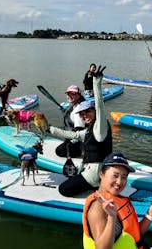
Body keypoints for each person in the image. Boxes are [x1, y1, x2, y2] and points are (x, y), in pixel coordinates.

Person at [47, 65, 112, 197]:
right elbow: (73, 134)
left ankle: (96, 190)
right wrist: (49, 129)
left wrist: (96, 82)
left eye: (88, 111)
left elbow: (100, 106)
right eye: (81, 114)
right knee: (70, 180)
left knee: (63, 190)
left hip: (95, 176)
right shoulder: (89, 129)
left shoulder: (100, 127)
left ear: (94, 111)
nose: (84, 115)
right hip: (89, 170)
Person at [82, 152, 152, 249]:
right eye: (115, 175)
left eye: (124, 177)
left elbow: (135, 235)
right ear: (101, 174)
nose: (119, 182)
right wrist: (112, 217)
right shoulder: (97, 207)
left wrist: (151, 214)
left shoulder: (118, 199)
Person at [55, 85, 86, 158]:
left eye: (73, 94)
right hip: (73, 136)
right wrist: (66, 112)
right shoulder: (75, 104)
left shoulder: (79, 110)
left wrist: (70, 143)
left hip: (79, 140)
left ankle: (80, 152)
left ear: (79, 95)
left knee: (59, 151)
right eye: (68, 94)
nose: (69, 96)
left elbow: (79, 130)